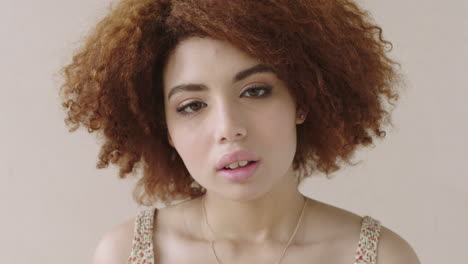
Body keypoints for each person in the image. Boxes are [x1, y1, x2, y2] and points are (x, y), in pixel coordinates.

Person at [58, 0, 420, 263]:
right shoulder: (125, 254)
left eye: (255, 91)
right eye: (192, 106)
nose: (229, 128)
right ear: (164, 128)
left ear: (302, 100)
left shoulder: (383, 257)